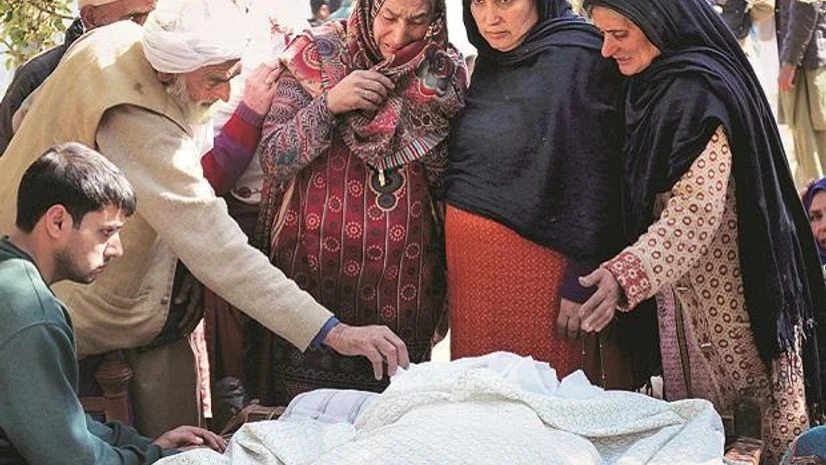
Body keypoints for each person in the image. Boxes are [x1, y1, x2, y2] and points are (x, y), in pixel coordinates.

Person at [0, 0, 409, 437]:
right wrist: (331, 331)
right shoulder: (139, 119)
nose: (225, 95)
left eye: (231, 76)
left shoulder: (115, 42)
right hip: (72, 296)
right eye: (214, 79)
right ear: (166, 73)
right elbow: (215, 245)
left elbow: (27, 117)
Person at [578, 0, 826, 462]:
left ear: (657, 24)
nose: (607, 50)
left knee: (769, 442)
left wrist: (624, 276)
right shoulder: (650, 87)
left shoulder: (697, 93)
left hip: (738, 314)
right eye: (602, 35)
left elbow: (694, 213)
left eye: (620, 34)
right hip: (680, 309)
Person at [253, 0, 467, 405]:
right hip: (310, 276)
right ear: (369, 9)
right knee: (303, 422)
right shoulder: (315, 54)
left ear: (436, 19)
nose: (399, 36)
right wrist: (331, 103)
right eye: (388, 18)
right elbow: (275, 156)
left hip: (404, 282)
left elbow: (448, 180)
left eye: (417, 22)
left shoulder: (443, 73)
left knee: (392, 420)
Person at [443, 0, 634, 388]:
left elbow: (601, 171)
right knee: (483, 410)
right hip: (474, 284)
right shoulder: (489, 64)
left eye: (506, 2)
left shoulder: (579, 56)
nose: (490, 18)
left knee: (548, 404)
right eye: (477, 3)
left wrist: (581, 274)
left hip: (544, 281)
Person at [0, 142, 226, 464]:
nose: (116, 250)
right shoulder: (30, 313)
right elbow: (69, 457)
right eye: (106, 232)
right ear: (58, 222)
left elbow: (58, 418)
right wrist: (154, 460)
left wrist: (148, 448)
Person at [0, 0, 158, 156]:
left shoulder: (163, 72)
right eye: (135, 18)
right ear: (90, 18)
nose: (145, 29)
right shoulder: (39, 75)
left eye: (153, 17)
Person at [777, 0, 826, 186]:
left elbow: (806, 8)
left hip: (808, 66)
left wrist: (790, 62)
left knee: (812, 158)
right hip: (807, 61)